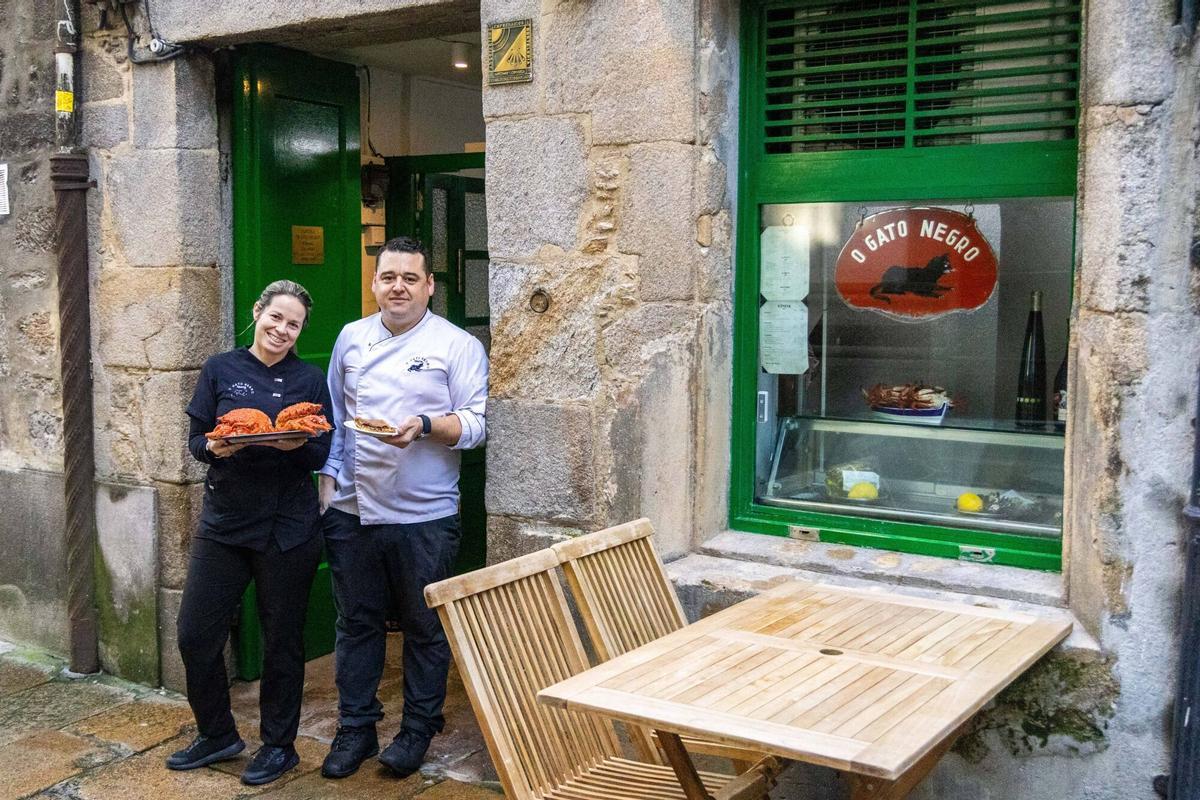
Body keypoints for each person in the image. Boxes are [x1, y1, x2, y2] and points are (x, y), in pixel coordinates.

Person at [318, 236, 488, 780]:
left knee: (423, 627)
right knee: (357, 623)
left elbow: (477, 425)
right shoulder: (351, 338)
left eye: (410, 278)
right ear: (375, 284)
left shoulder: (456, 345)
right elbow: (339, 422)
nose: (398, 287)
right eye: (389, 277)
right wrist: (329, 487)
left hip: (425, 514)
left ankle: (417, 730)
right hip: (354, 507)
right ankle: (356, 728)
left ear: (429, 286)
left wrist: (426, 427)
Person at [168, 280, 333, 786]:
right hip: (224, 524)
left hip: (289, 528)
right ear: (257, 312)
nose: (282, 329)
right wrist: (215, 450)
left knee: (282, 640)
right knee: (195, 634)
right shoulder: (220, 368)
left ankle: (279, 746)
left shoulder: (309, 378)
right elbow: (198, 440)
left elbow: (320, 451)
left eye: (294, 324)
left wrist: (294, 447)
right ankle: (217, 732)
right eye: (276, 317)